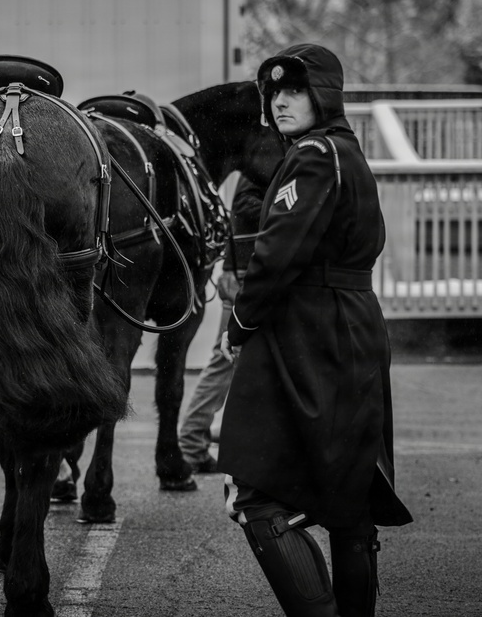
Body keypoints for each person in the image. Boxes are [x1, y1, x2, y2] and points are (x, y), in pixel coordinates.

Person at [217, 44, 413, 617]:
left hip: (307, 329)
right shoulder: (344, 152)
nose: (280, 101)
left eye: (295, 90)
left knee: (255, 493)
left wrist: (241, 321)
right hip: (352, 327)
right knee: (349, 497)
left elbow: (277, 254)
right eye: (274, 92)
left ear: (323, 94)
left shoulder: (314, 155)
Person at [178, 170, 269, 473]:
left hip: (243, 270)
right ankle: (192, 441)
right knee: (226, 357)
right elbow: (243, 206)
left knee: (228, 358)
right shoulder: (268, 162)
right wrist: (290, 206)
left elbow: (238, 211)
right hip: (249, 272)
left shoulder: (269, 162)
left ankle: (195, 439)